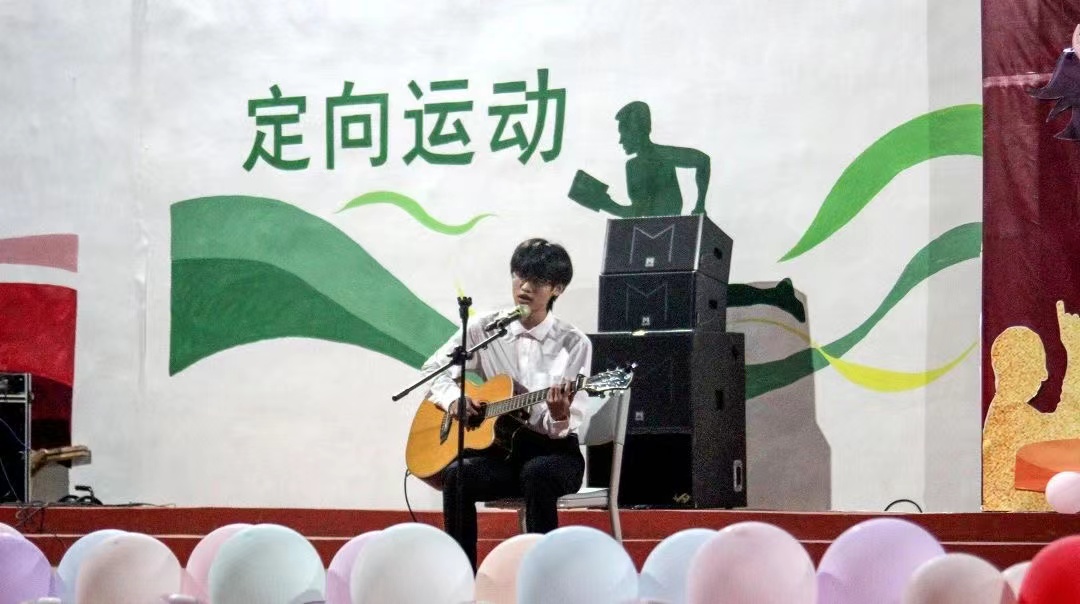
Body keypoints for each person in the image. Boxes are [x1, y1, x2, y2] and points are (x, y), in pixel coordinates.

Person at [419, 238, 592, 569]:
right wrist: (454, 399)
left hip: (554, 453)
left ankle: (543, 577)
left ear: (557, 289)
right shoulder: (485, 329)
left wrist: (559, 415)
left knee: (537, 473)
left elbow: (563, 427)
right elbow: (433, 369)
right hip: (502, 453)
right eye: (519, 276)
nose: (525, 287)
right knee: (457, 475)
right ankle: (462, 577)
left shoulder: (574, 343)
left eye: (537, 281)